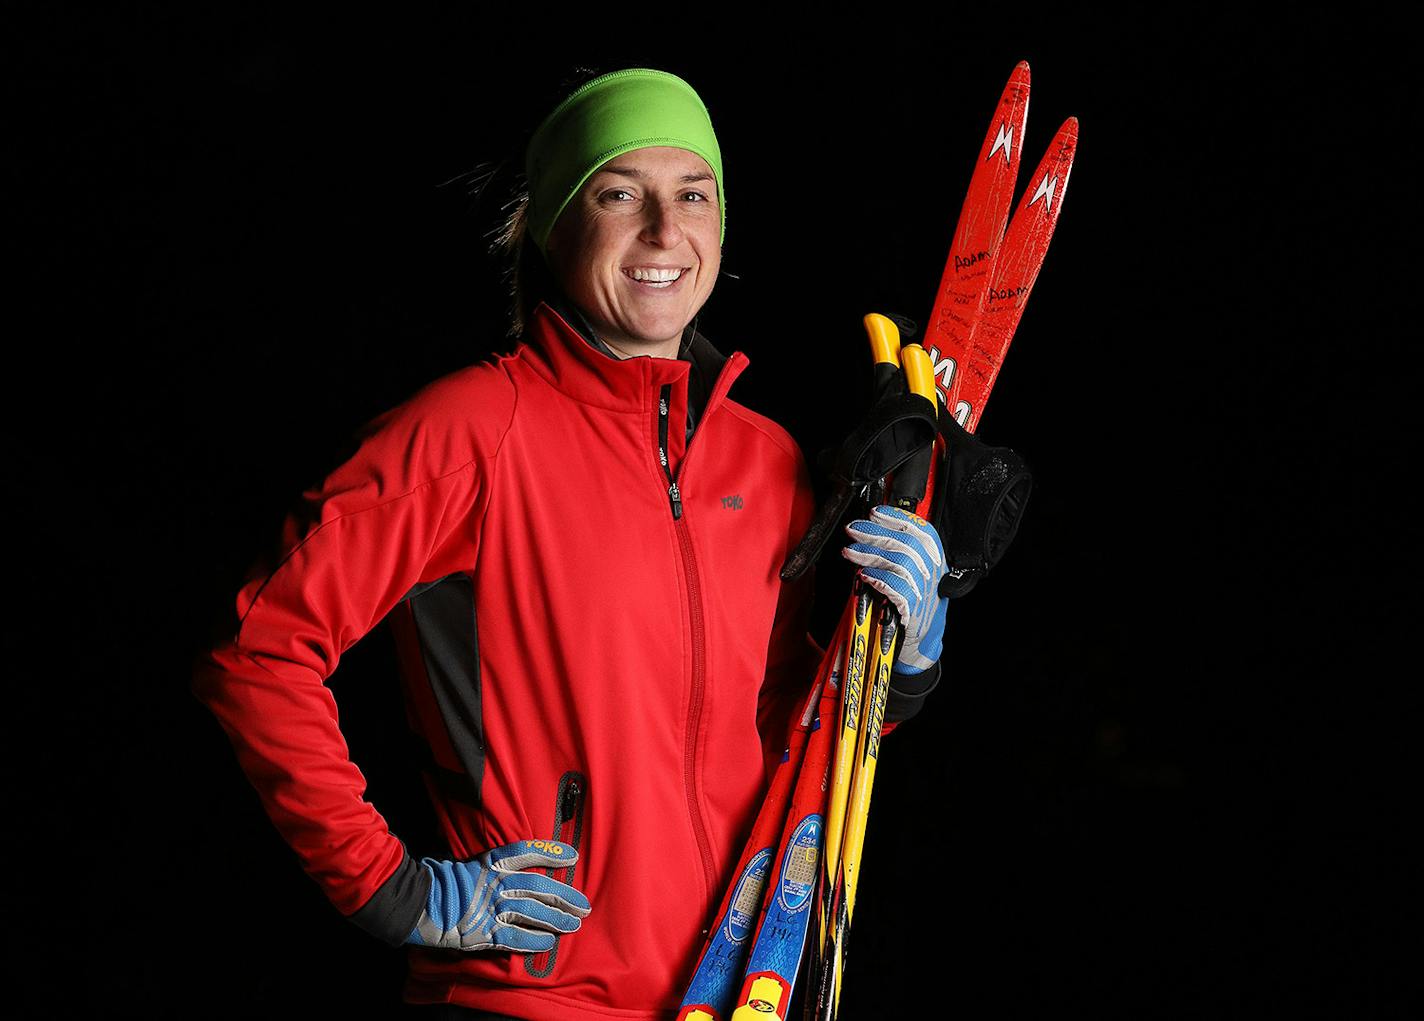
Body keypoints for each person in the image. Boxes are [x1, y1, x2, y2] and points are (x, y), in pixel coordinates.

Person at [192, 67, 948, 1020]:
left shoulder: (771, 462)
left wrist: (902, 656)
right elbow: (257, 654)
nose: (665, 232)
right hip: (530, 1001)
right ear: (554, 227)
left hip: (736, 994)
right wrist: (396, 888)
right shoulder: (472, 433)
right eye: (621, 192)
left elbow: (802, 730)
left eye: (693, 195)